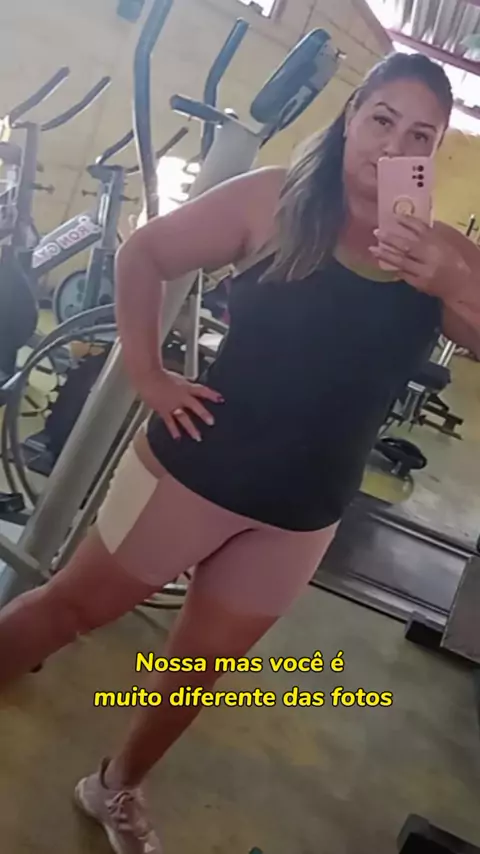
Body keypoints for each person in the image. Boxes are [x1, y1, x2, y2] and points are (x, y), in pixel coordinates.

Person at [1, 51, 480, 854]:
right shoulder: (273, 201)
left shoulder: (443, 255)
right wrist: (150, 374)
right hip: (195, 470)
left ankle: (115, 787)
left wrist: (451, 284)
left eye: (419, 137)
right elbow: (143, 254)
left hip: (302, 514)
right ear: (351, 117)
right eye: (382, 120)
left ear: (433, 155)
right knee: (70, 610)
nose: (394, 145)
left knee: (196, 673)